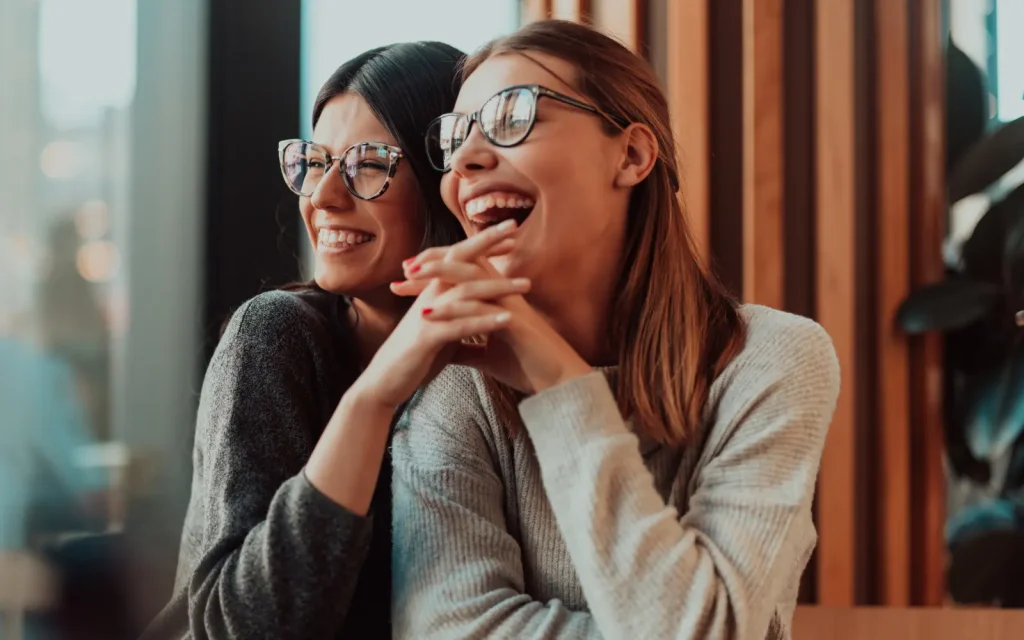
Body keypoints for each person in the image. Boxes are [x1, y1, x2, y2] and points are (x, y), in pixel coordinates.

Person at [388, 20, 841, 639]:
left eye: (512, 116)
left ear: (630, 155)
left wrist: (558, 379)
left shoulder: (772, 359)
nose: (465, 160)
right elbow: (446, 630)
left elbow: (707, 631)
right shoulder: (456, 382)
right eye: (455, 136)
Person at [140, 42, 529, 640]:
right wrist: (372, 399)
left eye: (369, 164)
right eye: (315, 161)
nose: (322, 196)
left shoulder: (504, 363)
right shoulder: (277, 335)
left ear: (447, 175)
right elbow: (243, 627)